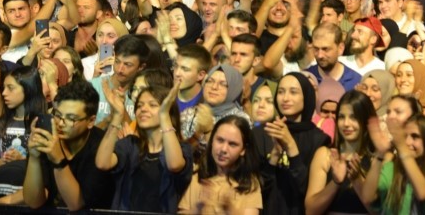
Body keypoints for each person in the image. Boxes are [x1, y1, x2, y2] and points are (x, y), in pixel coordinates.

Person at [96, 82, 193, 213]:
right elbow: (102, 163)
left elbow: (174, 165)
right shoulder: (130, 144)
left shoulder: (182, 149)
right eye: (139, 105)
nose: (143, 109)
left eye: (153, 105)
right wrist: (117, 116)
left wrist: (164, 115)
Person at [23, 79, 115, 210]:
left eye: (71, 119)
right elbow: (33, 202)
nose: (60, 123)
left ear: (91, 121)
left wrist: (58, 160)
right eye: (58, 115)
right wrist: (34, 158)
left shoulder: (101, 147)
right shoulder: (48, 138)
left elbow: (76, 205)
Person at [252, 72, 331, 215]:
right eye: (281, 92)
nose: (285, 98)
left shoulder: (318, 140)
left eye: (293, 92)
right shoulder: (262, 133)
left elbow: (306, 192)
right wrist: (274, 155)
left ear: (306, 97)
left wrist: (291, 148)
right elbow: (256, 190)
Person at [361, 113, 425, 214]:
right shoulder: (392, 168)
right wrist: (380, 153)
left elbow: (423, 194)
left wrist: (402, 147)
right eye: (404, 136)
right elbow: (367, 197)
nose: (407, 142)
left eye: (415, 137)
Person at [305, 90, 376, 215]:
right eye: (342, 117)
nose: (346, 124)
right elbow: (311, 210)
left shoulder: (376, 159)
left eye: (353, 117)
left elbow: (382, 211)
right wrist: (336, 182)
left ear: (366, 120)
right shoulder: (325, 155)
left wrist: (356, 180)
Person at [178, 115, 263, 214]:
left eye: (232, 144)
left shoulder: (249, 183)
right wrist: (198, 207)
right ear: (212, 141)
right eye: (220, 140)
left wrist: (229, 209)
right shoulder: (196, 176)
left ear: (243, 150)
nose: (223, 149)